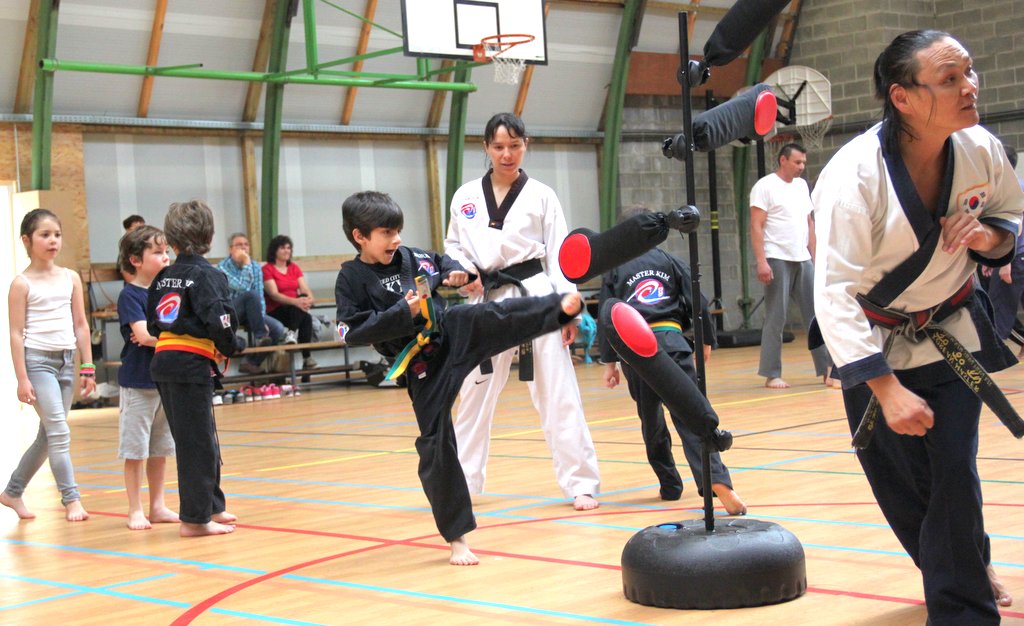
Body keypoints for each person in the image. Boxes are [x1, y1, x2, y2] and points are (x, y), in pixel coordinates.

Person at [812, 30, 1021, 622]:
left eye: (970, 72)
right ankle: (963, 563)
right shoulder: (853, 177)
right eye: (950, 79)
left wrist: (989, 238)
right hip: (874, 343)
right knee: (901, 487)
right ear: (902, 97)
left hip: (951, 332)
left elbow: (1011, 216)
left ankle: (962, 608)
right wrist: (883, 386)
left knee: (955, 471)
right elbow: (833, 291)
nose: (969, 86)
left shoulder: (981, 147)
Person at [336, 191, 585, 565]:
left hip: (448, 333)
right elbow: (352, 331)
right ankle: (458, 539)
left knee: (489, 316)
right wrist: (400, 314)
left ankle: (557, 310)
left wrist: (458, 272)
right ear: (360, 236)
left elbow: (447, 263)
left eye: (398, 231)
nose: (396, 240)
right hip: (419, 365)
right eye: (387, 233)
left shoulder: (412, 258)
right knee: (436, 445)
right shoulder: (351, 279)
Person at [444, 112, 601, 511]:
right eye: (498, 146)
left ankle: (580, 483)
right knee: (474, 393)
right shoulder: (464, 196)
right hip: (487, 300)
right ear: (486, 148)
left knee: (557, 391)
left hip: (535, 296)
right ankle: (462, 482)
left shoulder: (543, 195)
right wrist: (465, 273)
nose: (507, 154)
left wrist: (567, 311)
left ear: (525, 145)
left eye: (514, 145)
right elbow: (453, 248)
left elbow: (562, 257)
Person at [599, 206, 746, 514]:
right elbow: (698, 299)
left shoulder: (614, 269)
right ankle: (717, 480)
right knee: (690, 413)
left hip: (635, 350)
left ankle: (669, 483)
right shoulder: (670, 261)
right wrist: (705, 338)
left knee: (651, 422)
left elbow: (606, 314)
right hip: (671, 340)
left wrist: (609, 362)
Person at [148, 200, 245, 537]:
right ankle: (194, 519)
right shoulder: (209, 275)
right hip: (189, 364)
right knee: (197, 443)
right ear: (211, 236)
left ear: (171, 241)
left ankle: (212, 506)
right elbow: (221, 318)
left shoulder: (163, 276)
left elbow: (153, 322)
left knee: (202, 437)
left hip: (165, 362)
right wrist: (232, 345)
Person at [1, 208, 95, 522]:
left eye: (56, 234)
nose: (52, 240)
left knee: (48, 434)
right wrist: (21, 378)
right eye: (44, 235)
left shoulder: (70, 277)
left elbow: (81, 324)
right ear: (27, 240)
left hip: (67, 362)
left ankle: (12, 492)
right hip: (38, 363)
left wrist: (88, 366)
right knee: (59, 430)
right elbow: (15, 333)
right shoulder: (21, 284)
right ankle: (72, 500)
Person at [750, 142, 835, 389]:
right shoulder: (764, 186)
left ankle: (827, 370)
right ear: (783, 160)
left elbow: (809, 223)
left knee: (816, 317)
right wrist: (761, 261)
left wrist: (815, 257)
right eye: (797, 162)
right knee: (776, 317)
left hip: (803, 259)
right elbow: (756, 225)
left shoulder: (801, 187)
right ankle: (771, 373)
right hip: (776, 257)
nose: (801, 167)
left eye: (804, 163)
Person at [116, 224, 178, 530]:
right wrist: (178, 337)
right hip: (138, 383)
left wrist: (165, 336)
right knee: (135, 450)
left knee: (160, 449)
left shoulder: (167, 292)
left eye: (166, 251)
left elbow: (159, 333)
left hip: (163, 382)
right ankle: (134, 509)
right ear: (136, 260)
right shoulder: (131, 295)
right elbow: (142, 334)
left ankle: (158, 505)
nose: (165, 257)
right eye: (157, 252)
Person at [218, 232, 286, 374]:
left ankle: (250, 362)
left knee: (278, 328)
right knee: (250, 295)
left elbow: (260, 295)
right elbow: (243, 287)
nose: (243, 248)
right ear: (231, 249)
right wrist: (246, 264)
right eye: (239, 245)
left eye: (246, 244)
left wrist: (260, 318)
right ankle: (261, 335)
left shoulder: (256, 266)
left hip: (252, 313)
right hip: (231, 312)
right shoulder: (222, 267)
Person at [982, 144, 1024, 357]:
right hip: (1014, 257)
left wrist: (1004, 261)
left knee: (998, 310)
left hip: (1015, 257)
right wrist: (990, 260)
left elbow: (1015, 227)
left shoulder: (1012, 189)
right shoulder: (1014, 186)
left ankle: (993, 360)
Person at [262, 235, 316, 369]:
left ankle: (297, 343)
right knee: (300, 312)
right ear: (274, 250)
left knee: (306, 318)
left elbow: (305, 289)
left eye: (288, 248)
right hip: (276, 309)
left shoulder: (294, 268)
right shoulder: (267, 269)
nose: (286, 251)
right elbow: (273, 294)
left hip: (295, 310)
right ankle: (306, 357)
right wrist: (296, 302)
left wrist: (309, 299)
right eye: (282, 248)